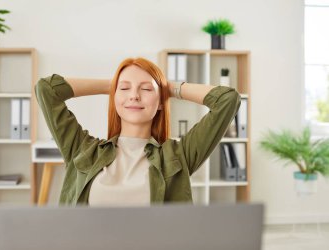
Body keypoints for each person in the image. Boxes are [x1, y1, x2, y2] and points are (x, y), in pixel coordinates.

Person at [35, 57, 241, 206]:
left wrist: (169, 88)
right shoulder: (82, 149)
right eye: (125, 89)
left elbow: (227, 100)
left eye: (146, 89)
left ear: (160, 102)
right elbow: (47, 89)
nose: (134, 95)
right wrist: (112, 85)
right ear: (114, 98)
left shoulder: (179, 156)